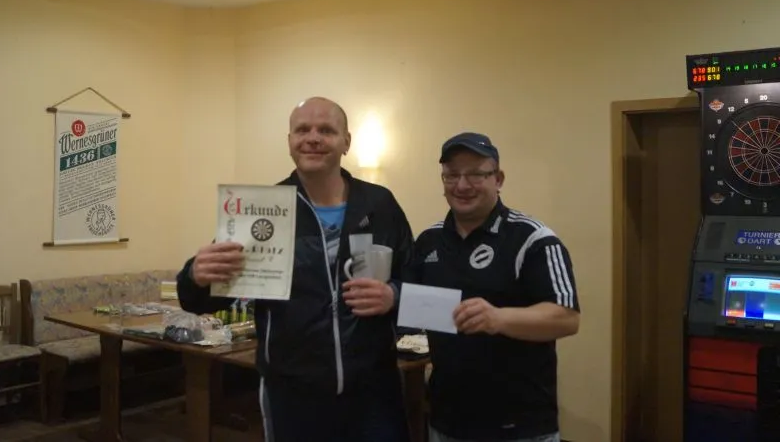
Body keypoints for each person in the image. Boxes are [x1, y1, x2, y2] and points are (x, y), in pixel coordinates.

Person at [176, 97, 414, 442]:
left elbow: (416, 280)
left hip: (374, 393)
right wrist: (196, 275)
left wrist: (394, 295)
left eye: (326, 130)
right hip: (292, 395)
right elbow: (202, 300)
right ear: (289, 141)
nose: (313, 138)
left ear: (346, 142)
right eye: (303, 130)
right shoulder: (261, 209)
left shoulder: (380, 205)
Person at [404, 132, 580, 442]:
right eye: (452, 175)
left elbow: (567, 318)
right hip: (446, 422)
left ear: (498, 179)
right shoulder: (428, 240)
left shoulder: (533, 238)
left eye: (476, 174)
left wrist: (498, 318)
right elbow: (412, 307)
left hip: (520, 426)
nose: (462, 185)